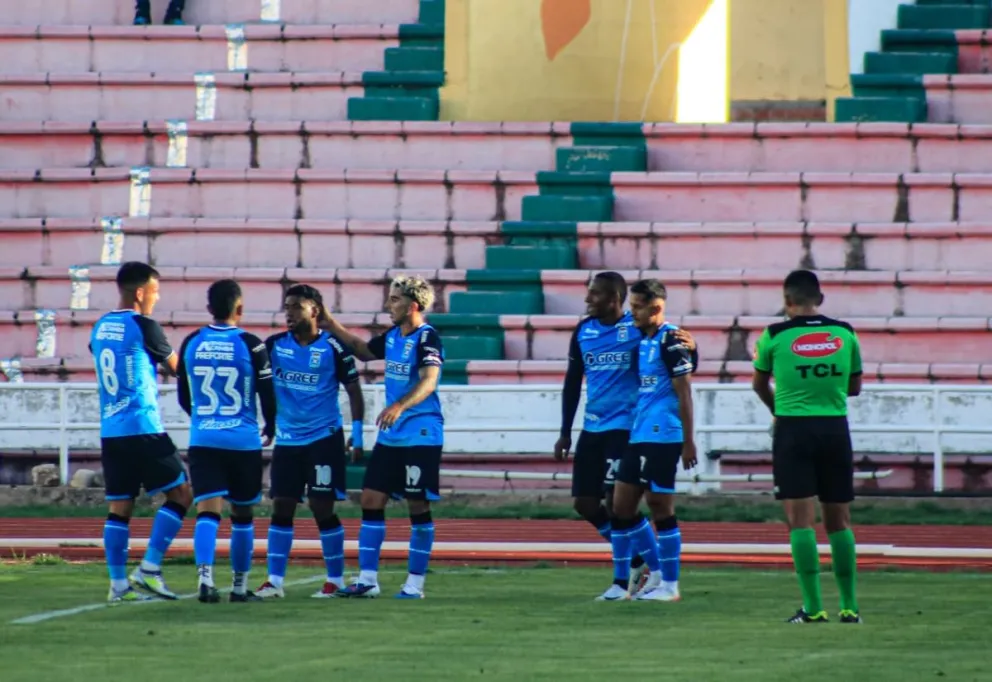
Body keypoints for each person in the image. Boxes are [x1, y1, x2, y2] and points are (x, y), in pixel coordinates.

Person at [555, 271, 698, 601]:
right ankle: (641, 561)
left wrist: (693, 345)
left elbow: (676, 358)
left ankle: (625, 580)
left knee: (622, 504)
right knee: (586, 503)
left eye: (595, 294)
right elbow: (573, 380)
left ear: (614, 299)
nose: (588, 299)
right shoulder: (584, 331)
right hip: (593, 427)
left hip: (629, 428)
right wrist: (565, 431)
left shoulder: (636, 330)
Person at [320, 275, 444, 599]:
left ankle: (415, 584)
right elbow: (362, 350)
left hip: (420, 432)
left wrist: (399, 406)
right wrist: (331, 324)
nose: (388, 305)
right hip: (393, 435)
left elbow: (429, 380)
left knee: (417, 504)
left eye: (395, 299)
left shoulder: (427, 337)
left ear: (412, 305)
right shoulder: (393, 336)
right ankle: (368, 580)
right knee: (372, 499)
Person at [751, 269, 862, 624]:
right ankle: (850, 607)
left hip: (793, 430)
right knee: (839, 521)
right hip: (834, 428)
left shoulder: (773, 335)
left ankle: (814, 608)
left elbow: (758, 384)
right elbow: (855, 386)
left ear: (787, 301)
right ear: (821, 299)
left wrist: (778, 410)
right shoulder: (845, 333)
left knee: (800, 521)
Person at [89, 261, 193, 603]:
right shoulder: (144, 325)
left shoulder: (100, 326)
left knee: (120, 507)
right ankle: (149, 568)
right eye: (155, 291)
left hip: (112, 430)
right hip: (143, 426)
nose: (157, 298)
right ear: (139, 293)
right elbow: (180, 369)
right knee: (181, 495)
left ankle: (118, 585)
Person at [254, 284, 366, 599]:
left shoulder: (334, 347)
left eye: (296, 307)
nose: (288, 313)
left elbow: (354, 392)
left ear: (314, 310)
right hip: (288, 441)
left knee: (321, 507)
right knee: (282, 506)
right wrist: (270, 422)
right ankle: (274, 581)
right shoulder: (274, 346)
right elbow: (260, 385)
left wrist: (357, 436)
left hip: (323, 439)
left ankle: (335, 579)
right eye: (286, 307)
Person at [176, 279, 276, 604]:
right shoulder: (252, 344)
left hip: (204, 438)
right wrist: (270, 423)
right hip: (242, 440)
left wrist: (203, 420)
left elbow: (184, 395)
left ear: (209, 309)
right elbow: (266, 391)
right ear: (240, 309)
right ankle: (238, 586)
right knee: (242, 514)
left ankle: (205, 579)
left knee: (207, 511)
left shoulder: (191, 341)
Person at [608, 278, 697, 602]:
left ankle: (670, 586)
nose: (631, 313)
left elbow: (684, 391)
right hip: (640, 432)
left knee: (660, 506)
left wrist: (689, 441)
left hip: (663, 434)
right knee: (622, 506)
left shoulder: (670, 340)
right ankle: (657, 572)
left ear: (655, 308)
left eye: (636, 307)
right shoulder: (646, 339)